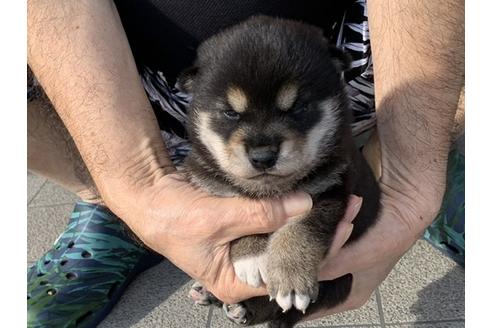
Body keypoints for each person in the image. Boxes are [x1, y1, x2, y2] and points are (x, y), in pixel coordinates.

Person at [27, 0, 464, 326]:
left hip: (369, 48)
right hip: (133, 83)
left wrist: (412, 181)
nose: (262, 149)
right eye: (232, 116)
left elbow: (324, 203)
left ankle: (436, 159)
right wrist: (135, 185)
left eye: (294, 112)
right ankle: (108, 207)